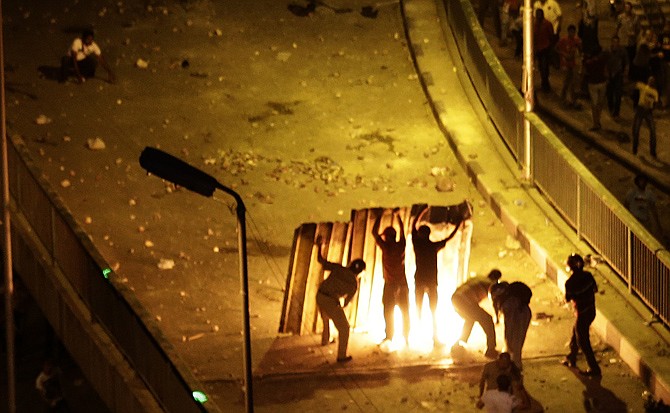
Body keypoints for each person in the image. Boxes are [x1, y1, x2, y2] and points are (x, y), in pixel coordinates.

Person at [411, 205, 462, 344]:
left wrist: (422, 212)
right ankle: (433, 337)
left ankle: (417, 335)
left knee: (419, 308)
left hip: (421, 281)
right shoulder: (432, 246)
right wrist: (458, 225)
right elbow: (449, 237)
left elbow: (412, 226)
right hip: (431, 282)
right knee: (432, 310)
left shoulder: (418, 244)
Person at [314, 236, 366, 363]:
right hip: (330, 300)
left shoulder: (339, 268)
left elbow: (321, 260)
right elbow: (347, 303)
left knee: (326, 318)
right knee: (344, 328)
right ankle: (341, 356)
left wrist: (320, 245)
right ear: (360, 272)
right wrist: (339, 304)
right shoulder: (354, 285)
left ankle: (325, 340)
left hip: (320, 295)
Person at [372, 209, 410, 346]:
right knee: (405, 311)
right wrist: (398, 217)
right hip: (403, 284)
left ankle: (389, 336)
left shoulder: (386, 247)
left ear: (387, 237)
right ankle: (406, 338)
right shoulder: (401, 245)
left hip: (390, 284)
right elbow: (403, 233)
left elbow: (374, 233)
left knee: (388, 311)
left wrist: (380, 215)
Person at [561, 253, 601, 376]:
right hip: (591, 311)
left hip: (582, 313)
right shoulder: (588, 276)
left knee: (583, 341)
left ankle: (594, 369)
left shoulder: (570, 283)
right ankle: (571, 358)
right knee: (576, 333)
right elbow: (595, 289)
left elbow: (568, 298)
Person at [451, 269, 502, 358]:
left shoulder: (478, 277)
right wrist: (497, 317)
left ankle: (459, 342)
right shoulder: (491, 284)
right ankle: (491, 349)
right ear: (496, 279)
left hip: (455, 298)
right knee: (488, 319)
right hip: (466, 301)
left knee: (470, 319)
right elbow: (495, 302)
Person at [490, 281, 532, 370]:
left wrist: (508, 342)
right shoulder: (510, 297)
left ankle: (514, 367)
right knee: (518, 341)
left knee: (514, 343)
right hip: (525, 313)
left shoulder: (508, 304)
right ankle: (515, 365)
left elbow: (509, 325)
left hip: (519, 315)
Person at [631, 76, 659, 158]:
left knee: (652, 131)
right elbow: (633, 85)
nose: (651, 82)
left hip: (647, 111)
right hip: (641, 109)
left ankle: (652, 151)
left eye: (652, 81)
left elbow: (656, 103)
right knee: (636, 129)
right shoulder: (643, 86)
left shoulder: (655, 92)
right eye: (650, 80)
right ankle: (635, 149)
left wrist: (652, 107)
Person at [583, 45, 609, 131]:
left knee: (594, 104)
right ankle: (598, 119)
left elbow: (585, 72)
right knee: (600, 103)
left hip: (592, 84)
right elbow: (605, 72)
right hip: (602, 83)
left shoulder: (588, 62)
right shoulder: (603, 61)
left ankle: (595, 123)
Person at [556, 24, 582, 107]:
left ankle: (572, 99)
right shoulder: (563, 40)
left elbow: (580, 50)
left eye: (573, 32)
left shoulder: (577, 40)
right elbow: (556, 48)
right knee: (566, 81)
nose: (572, 34)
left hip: (573, 63)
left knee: (573, 83)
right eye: (571, 32)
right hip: (565, 63)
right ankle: (563, 98)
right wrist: (563, 54)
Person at [606, 36, 629, 118]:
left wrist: (625, 74)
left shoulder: (622, 51)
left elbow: (626, 63)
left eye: (617, 42)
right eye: (614, 42)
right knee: (609, 94)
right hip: (609, 75)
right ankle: (611, 108)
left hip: (618, 74)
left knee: (618, 94)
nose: (615, 44)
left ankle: (616, 112)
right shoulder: (608, 51)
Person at [534, 8, 556, 92]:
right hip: (539, 49)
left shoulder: (547, 24)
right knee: (541, 67)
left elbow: (551, 36)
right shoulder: (535, 24)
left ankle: (545, 83)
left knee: (545, 67)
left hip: (545, 48)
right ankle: (544, 83)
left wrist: (551, 47)